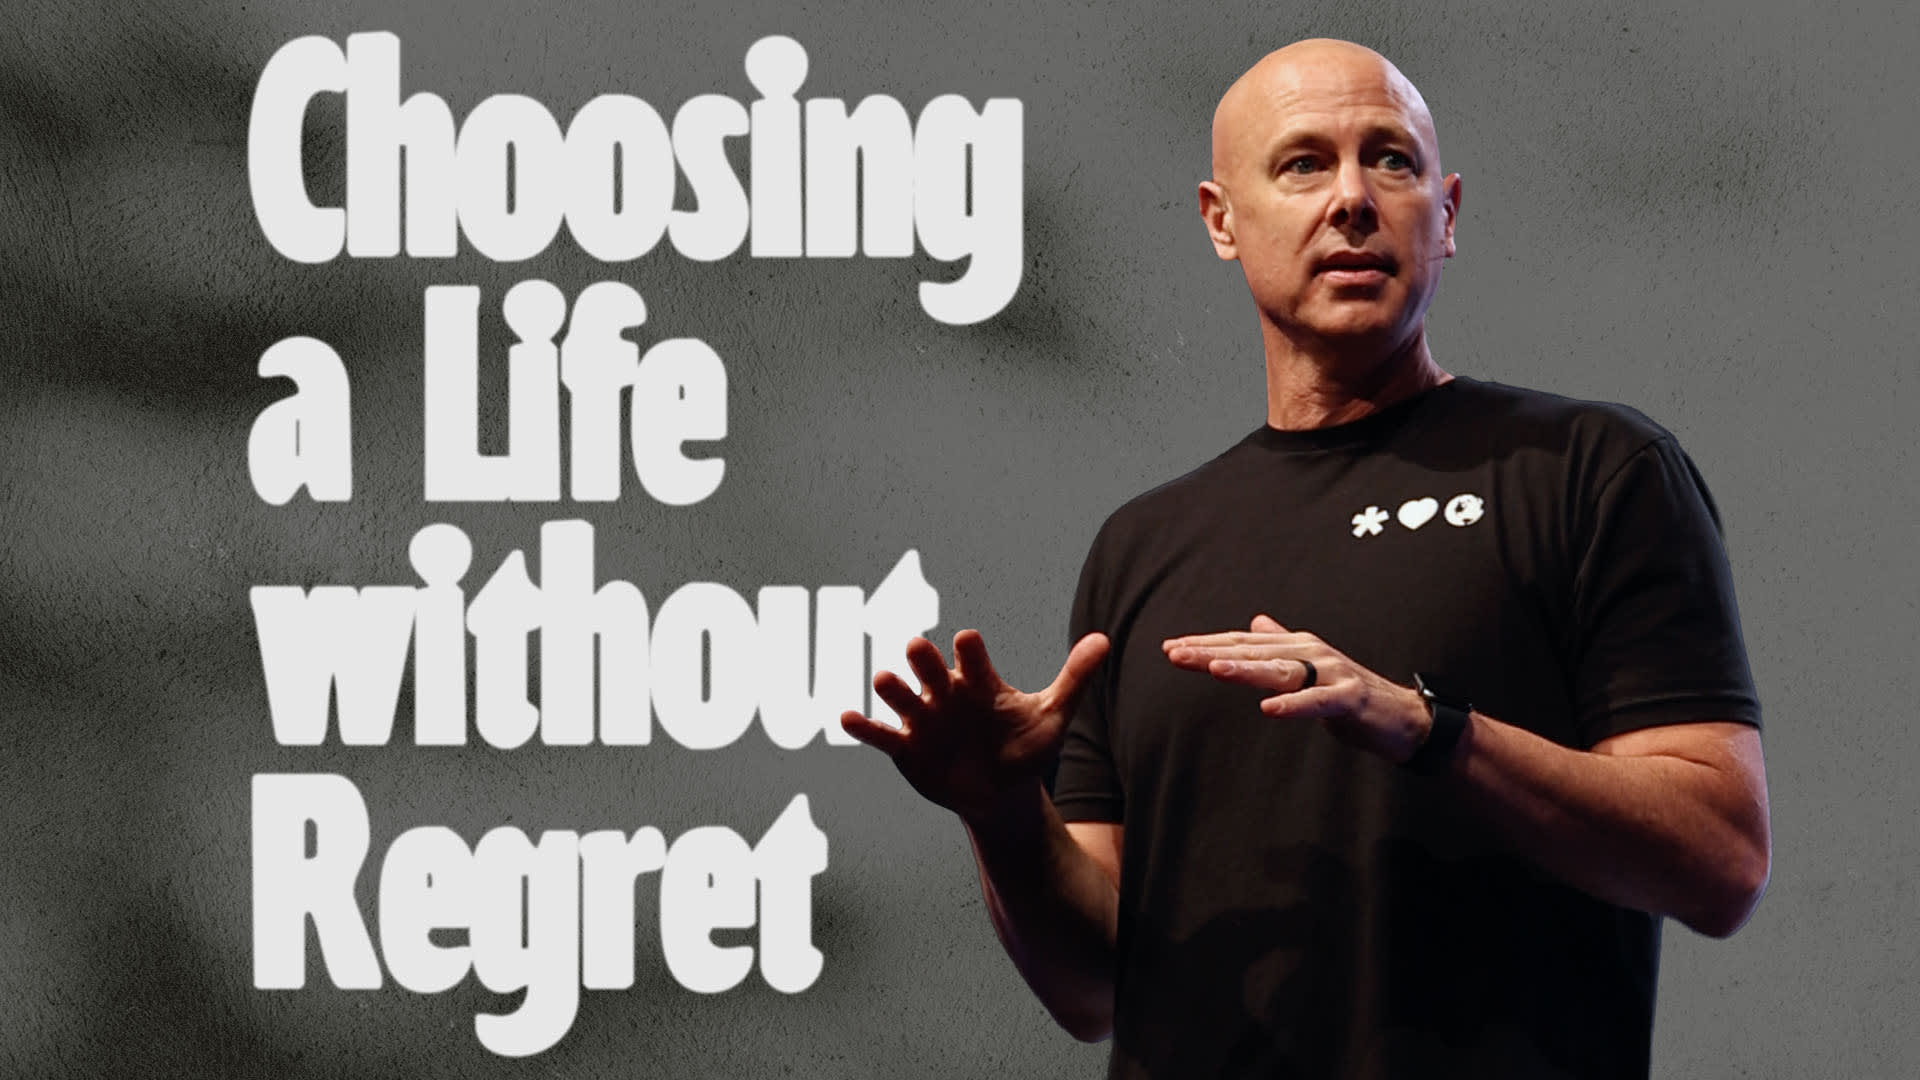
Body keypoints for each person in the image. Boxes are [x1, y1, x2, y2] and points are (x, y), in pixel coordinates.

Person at [841, 37, 1769, 1079]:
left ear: (1447, 214)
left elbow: (1721, 861)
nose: (1353, 199)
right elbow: (1095, 991)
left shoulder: (1589, 471)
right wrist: (1003, 812)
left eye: (1392, 160)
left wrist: (1428, 729)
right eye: (1302, 164)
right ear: (1221, 220)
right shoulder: (1143, 548)